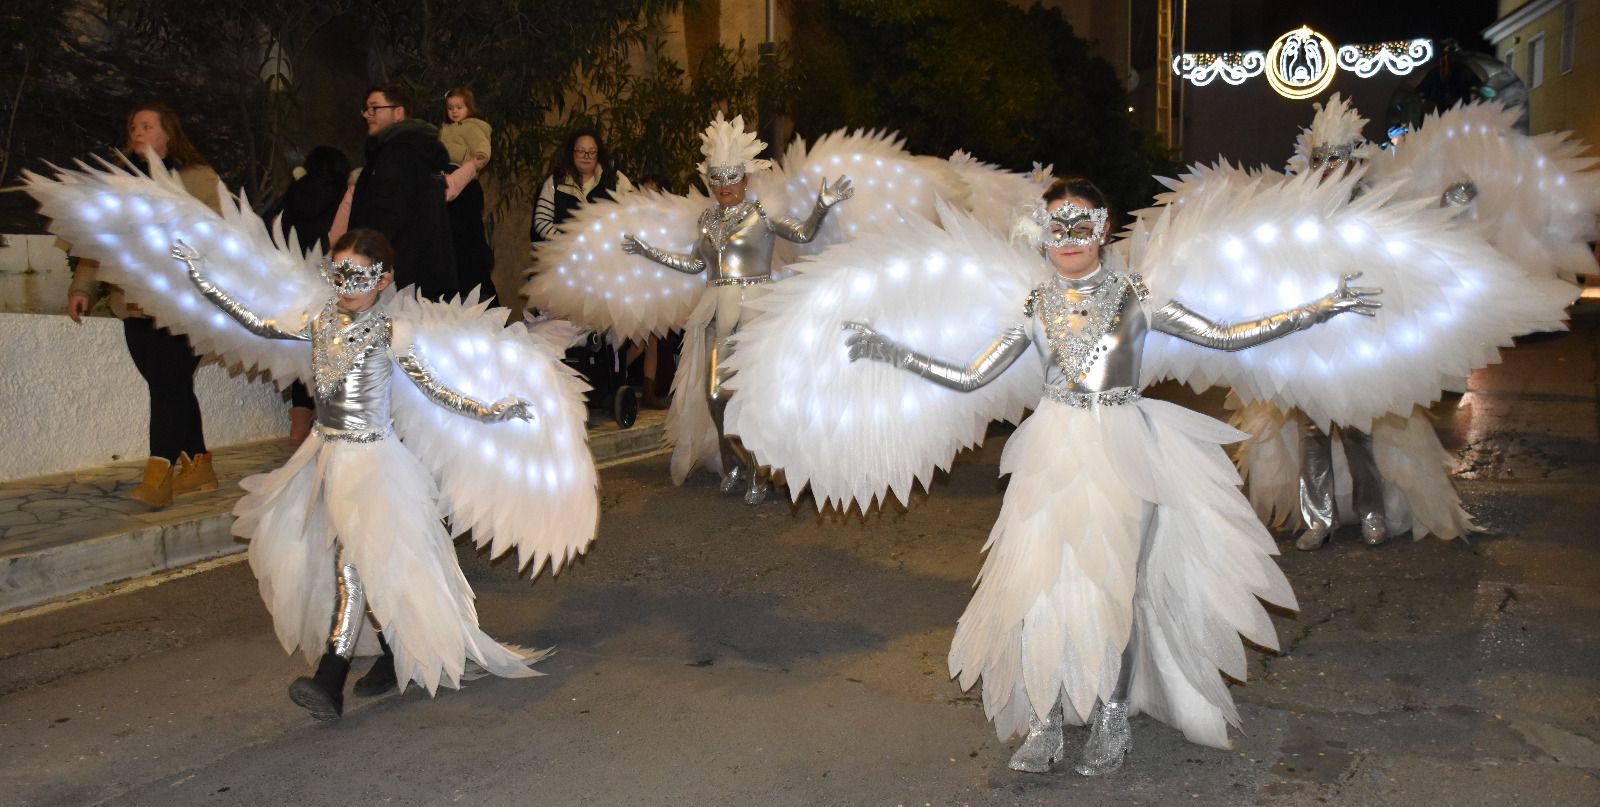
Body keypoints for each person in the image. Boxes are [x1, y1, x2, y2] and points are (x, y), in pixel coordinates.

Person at [841, 178, 1379, 774]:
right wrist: (891, 351)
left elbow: (1225, 336)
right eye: (1057, 228)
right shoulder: (1033, 305)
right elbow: (971, 377)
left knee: (1116, 583)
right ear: (1040, 236)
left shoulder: (1136, 296)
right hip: (1050, 452)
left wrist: (1321, 309)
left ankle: (1111, 716)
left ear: (1103, 229)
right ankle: (1045, 719)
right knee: (1039, 586)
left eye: (1082, 226)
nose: (1069, 240)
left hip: (1126, 449)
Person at [170, 228, 545, 720]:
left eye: (358, 275)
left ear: (383, 279)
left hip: (373, 464)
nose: (346, 285)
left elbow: (439, 391)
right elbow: (257, 322)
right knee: (361, 562)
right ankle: (392, 654)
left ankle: (331, 676)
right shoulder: (319, 321)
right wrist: (201, 275)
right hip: (325, 457)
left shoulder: (393, 334)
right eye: (338, 272)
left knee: (351, 563)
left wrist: (493, 411)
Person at [622, 113, 853, 503]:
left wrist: (822, 206)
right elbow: (695, 264)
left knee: (749, 396)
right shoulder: (707, 218)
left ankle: (759, 470)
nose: (724, 186)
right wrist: (649, 252)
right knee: (714, 395)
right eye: (717, 179)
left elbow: (803, 233)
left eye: (731, 178)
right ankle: (735, 463)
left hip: (756, 310)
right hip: (715, 311)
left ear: (745, 180)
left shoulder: (761, 215)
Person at [65, 101, 222, 507]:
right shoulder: (119, 183)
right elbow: (95, 242)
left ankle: (158, 476)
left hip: (182, 306)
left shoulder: (199, 180)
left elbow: (225, 241)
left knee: (168, 386)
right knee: (168, 385)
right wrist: (83, 287)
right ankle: (199, 467)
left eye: (148, 125)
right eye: (133, 125)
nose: (137, 131)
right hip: (131, 303)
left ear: (168, 133)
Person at [268, 145, 352, 445]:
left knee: (302, 349)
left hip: (294, 283)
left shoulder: (294, 193)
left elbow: (273, 227)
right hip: (329, 282)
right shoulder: (344, 195)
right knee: (327, 352)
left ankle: (299, 424)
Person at [348, 84, 458, 301]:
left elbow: (389, 213)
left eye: (375, 108)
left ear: (398, 112)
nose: (368, 114)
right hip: (420, 276)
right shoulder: (416, 151)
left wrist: (362, 257)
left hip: (399, 277)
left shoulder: (397, 154)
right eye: (366, 109)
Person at [439, 88, 496, 303]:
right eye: (450, 108)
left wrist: (476, 159)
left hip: (462, 182)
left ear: (469, 108)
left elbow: (482, 149)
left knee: (466, 248)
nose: (454, 112)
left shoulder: (472, 127)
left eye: (459, 107)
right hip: (446, 178)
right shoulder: (445, 130)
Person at [529, 127, 633, 245]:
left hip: (606, 255)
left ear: (598, 154)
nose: (586, 156)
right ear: (572, 153)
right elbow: (541, 220)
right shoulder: (556, 181)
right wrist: (566, 243)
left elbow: (632, 215)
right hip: (564, 255)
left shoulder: (616, 179)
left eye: (592, 151)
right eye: (580, 151)